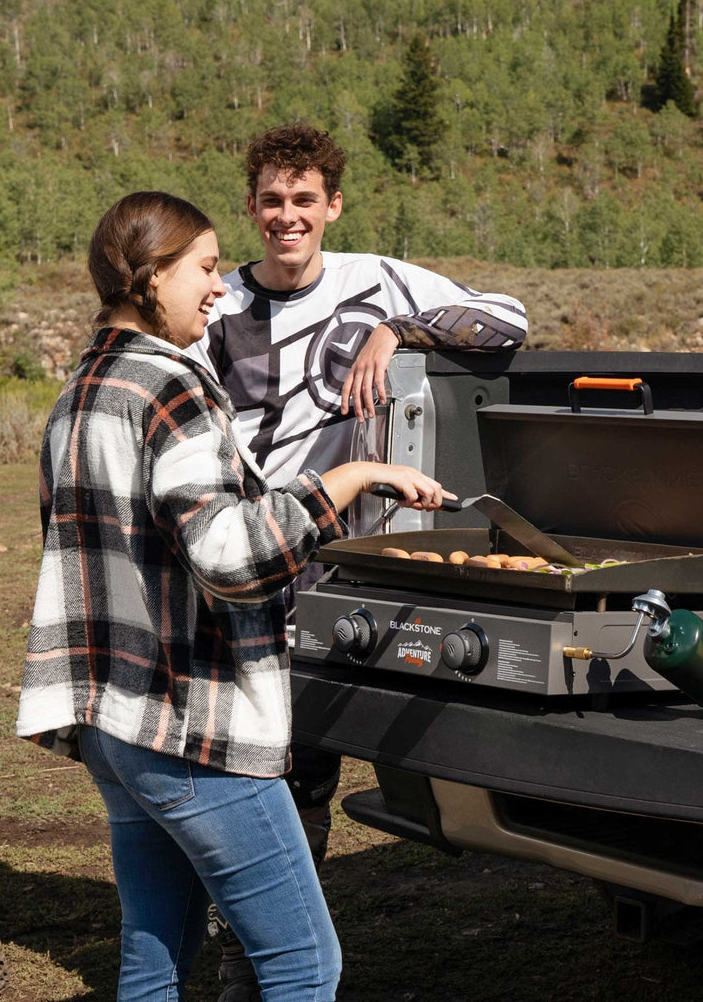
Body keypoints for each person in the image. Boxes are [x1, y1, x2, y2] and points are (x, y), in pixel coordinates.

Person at [16, 190, 449, 1002]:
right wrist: (348, 480)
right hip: (191, 726)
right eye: (206, 269)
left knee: (157, 963)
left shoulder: (82, 388)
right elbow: (227, 557)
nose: (221, 289)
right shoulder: (172, 388)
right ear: (150, 276)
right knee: (304, 964)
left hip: (113, 720)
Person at [186, 122, 529, 1002]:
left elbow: (508, 321)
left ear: (332, 206)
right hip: (244, 569)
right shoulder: (215, 303)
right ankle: (247, 961)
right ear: (252, 208)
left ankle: (281, 962)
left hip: (348, 570)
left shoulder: (374, 280)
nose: (287, 217)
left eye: (305, 200)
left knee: (318, 754)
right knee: (254, 767)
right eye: (271, 201)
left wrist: (401, 329)